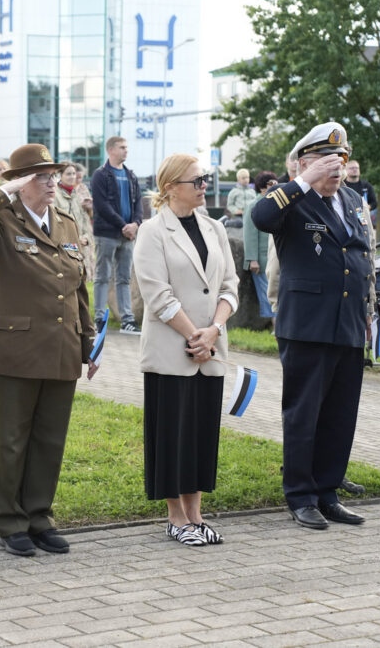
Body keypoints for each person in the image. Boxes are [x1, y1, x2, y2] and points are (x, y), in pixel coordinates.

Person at [0, 143, 97, 557]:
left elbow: (78, 287)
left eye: (53, 175)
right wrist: (3, 192)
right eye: (41, 176)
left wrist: (88, 341)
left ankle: (39, 517)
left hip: (61, 347)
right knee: (10, 441)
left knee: (49, 440)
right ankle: (9, 521)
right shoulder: (0, 219)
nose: (52, 183)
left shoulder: (66, 223)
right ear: (20, 182)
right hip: (14, 349)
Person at [251, 121, 374, 530]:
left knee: (340, 415)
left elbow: (363, 256)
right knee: (304, 415)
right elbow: (261, 216)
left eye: (342, 159)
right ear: (304, 163)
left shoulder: (352, 199)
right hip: (307, 325)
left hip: (349, 321)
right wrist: (303, 182)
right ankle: (301, 495)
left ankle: (328, 492)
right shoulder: (291, 199)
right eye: (327, 160)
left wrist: (368, 312)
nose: (337, 167)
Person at [133, 154, 239, 547]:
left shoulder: (214, 228)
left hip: (209, 350)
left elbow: (229, 286)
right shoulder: (152, 231)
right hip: (172, 351)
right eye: (196, 180)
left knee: (200, 436)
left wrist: (214, 331)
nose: (204, 185)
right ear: (170, 187)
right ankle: (176, 518)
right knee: (172, 436)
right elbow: (157, 294)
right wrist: (196, 337)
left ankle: (196, 515)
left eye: (205, 178)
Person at [92, 136, 143, 334]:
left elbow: (138, 203)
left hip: (128, 236)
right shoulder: (100, 175)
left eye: (126, 147)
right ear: (111, 150)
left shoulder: (131, 175)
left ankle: (127, 320)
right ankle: (99, 318)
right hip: (107, 234)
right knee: (102, 276)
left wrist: (136, 224)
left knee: (124, 278)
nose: (126, 150)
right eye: (122, 147)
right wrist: (124, 225)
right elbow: (102, 205)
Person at [243, 171, 278, 321]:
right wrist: (252, 259)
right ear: (262, 187)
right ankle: (275, 327)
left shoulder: (276, 203)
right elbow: (249, 234)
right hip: (261, 260)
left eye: (275, 183)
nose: (274, 186)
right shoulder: (253, 205)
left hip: (276, 258)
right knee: (267, 295)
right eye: (270, 184)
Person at [55, 161, 95, 281]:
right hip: (64, 248)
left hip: (80, 247)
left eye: (73, 174)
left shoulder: (77, 195)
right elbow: (56, 222)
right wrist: (74, 239)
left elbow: (85, 220)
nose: (72, 177)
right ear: (60, 175)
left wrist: (86, 238)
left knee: (81, 282)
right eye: (68, 174)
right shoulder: (54, 195)